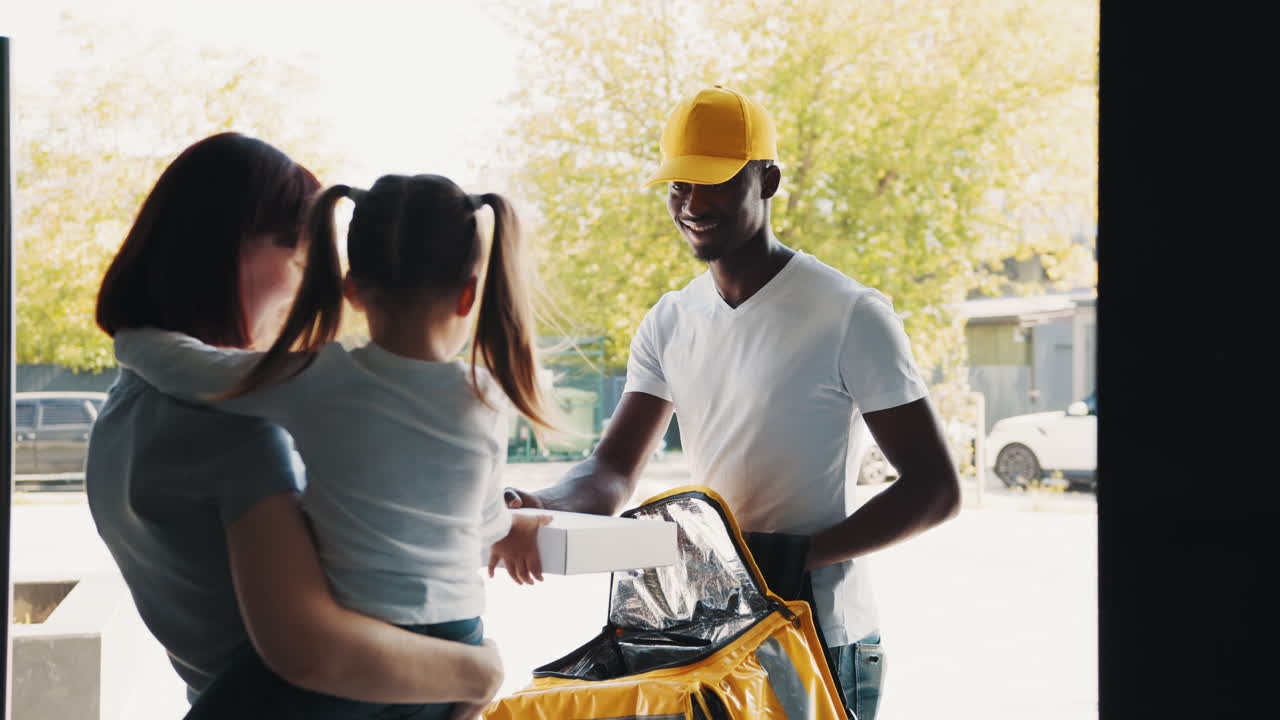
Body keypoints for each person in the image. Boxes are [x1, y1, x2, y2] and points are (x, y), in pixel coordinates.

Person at [502, 85, 962, 720]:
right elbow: (610, 472)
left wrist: (796, 556)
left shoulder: (849, 314)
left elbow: (936, 489)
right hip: (712, 632)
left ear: (767, 180)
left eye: (714, 182)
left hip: (822, 634)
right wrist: (536, 503)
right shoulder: (670, 320)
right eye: (679, 185)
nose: (692, 204)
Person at [88, 134, 505, 720]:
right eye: (300, 256)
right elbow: (312, 651)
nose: (306, 286)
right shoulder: (238, 434)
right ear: (228, 253)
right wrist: (479, 673)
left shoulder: (125, 407)